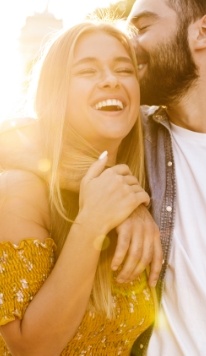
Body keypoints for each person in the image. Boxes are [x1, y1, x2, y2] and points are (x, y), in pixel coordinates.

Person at [0, 21, 163, 355]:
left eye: (124, 69)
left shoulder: (151, 175)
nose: (110, 79)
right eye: (87, 71)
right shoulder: (21, 190)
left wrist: (126, 201)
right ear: (57, 92)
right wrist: (93, 221)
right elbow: (30, 349)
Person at [127, 0, 206, 355]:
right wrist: (123, 199)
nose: (127, 45)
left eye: (142, 28)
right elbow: (31, 142)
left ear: (203, 32)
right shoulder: (128, 138)